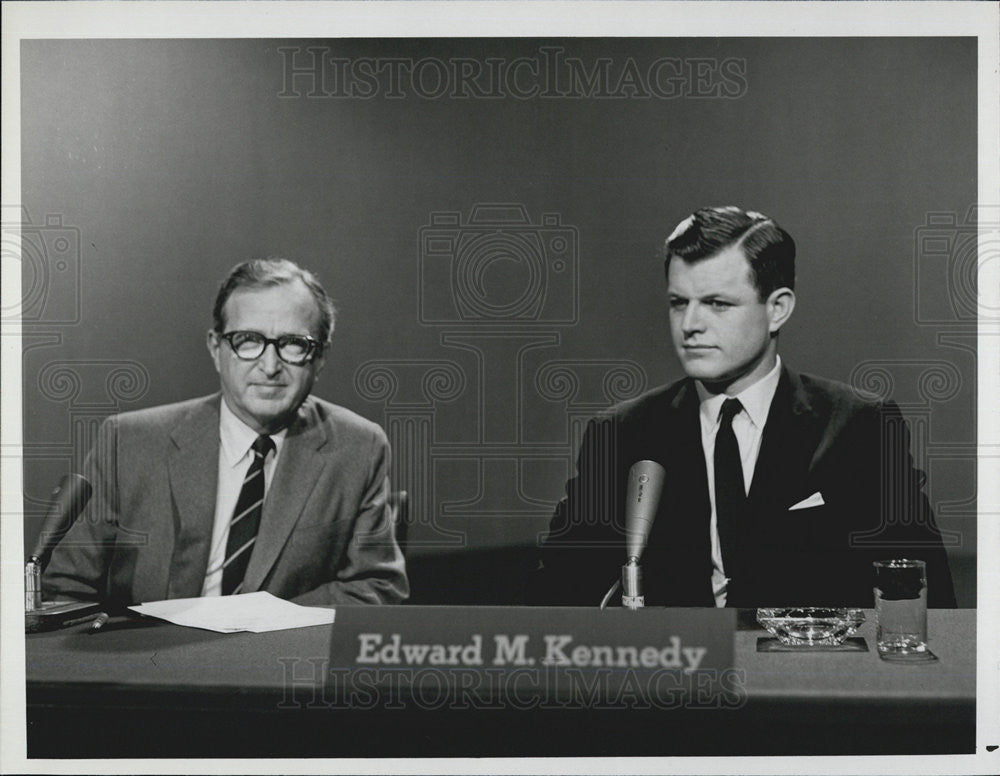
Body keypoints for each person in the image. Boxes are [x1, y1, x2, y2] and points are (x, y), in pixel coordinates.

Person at [538, 207, 956, 608]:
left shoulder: (859, 427)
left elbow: (924, 596)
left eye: (717, 303)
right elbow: (557, 597)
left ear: (777, 308)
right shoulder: (623, 433)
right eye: (678, 303)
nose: (690, 325)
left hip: (809, 676)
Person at [44, 258, 408, 607]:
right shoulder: (127, 442)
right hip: (145, 661)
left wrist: (263, 622)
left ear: (320, 359)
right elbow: (65, 588)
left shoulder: (358, 447)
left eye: (293, 345)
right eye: (248, 341)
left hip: (271, 662)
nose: (269, 366)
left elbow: (378, 587)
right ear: (216, 348)